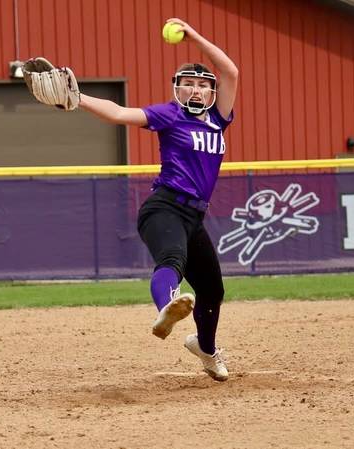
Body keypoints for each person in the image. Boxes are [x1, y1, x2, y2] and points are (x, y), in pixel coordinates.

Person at [79, 18, 238, 382]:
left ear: (211, 93)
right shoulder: (170, 115)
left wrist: (194, 36)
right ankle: (167, 305)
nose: (196, 91)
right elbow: (119, 113)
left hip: (194, 216)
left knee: (213, 290)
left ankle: (206, 350)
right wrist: (79, 98)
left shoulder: (218, 119)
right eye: (188, 85)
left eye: (202, 86)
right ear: (177, 91)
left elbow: (229, 70)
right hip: (164, 206)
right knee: (173, 260)